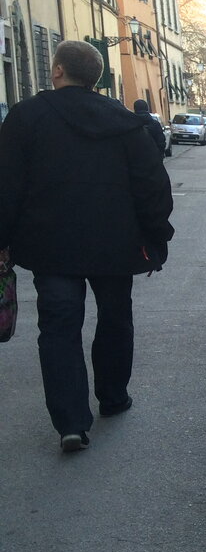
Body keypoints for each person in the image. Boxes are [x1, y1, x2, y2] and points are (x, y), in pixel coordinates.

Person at [0, 40, 174, 452]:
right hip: (115, 243)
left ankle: (71, 423)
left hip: (50, 247)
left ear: (58, 70)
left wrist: (3, 240)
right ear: (95, 78)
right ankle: (113, 397)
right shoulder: (123, 120)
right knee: (115, 318)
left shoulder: (26, 117)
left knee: (58, 327)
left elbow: (6, 186)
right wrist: (157, 236)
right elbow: (152, 185)